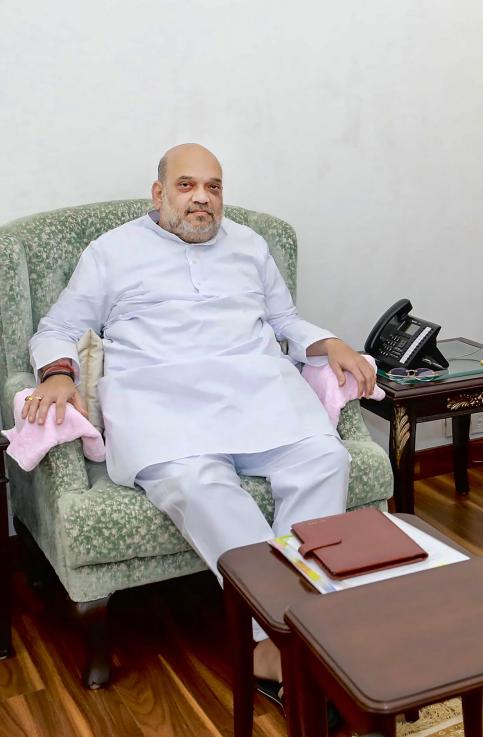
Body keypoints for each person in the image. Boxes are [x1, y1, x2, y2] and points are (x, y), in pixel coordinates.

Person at [22, 143, 376, 695]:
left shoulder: (250, 245)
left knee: (326, 458)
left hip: (258, 391)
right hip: (164, 402)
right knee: (200, 484)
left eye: (213, 187)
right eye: (187, 186)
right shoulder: (111, 252)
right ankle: (282, 645)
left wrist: (327, 342)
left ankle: (296, 639)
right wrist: (60, 373)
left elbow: (284, 318)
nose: (201, 199)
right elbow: (56, 327)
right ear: (159, 193)